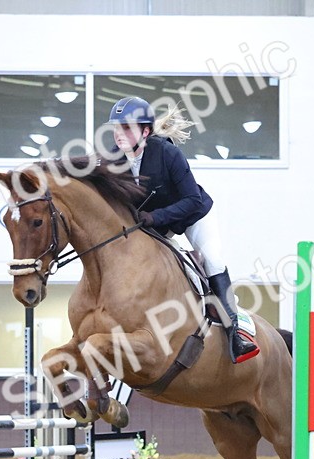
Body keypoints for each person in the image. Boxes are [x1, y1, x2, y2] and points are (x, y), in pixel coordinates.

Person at [107, 96, 258, 364]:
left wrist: (155, 216)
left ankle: (235, 332)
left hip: (193, 215)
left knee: (212, 259)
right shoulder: (113, 160)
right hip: (157, 224)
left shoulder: (167, 153)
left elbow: (192, 200)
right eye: (116, 128)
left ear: (145, 132)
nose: (119, 134)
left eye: (126, 128)